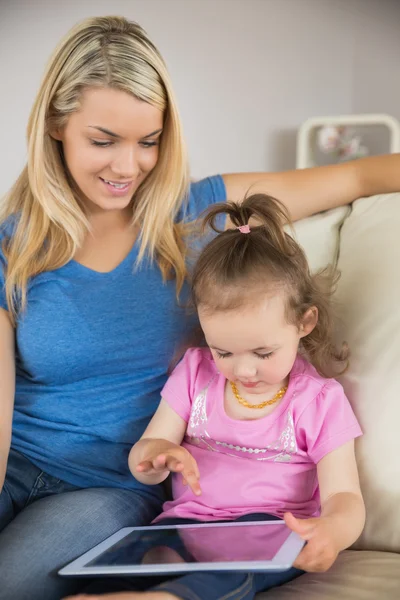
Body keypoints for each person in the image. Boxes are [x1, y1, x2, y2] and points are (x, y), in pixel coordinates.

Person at [0, 14, 399, 600]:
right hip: (17, 467)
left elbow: (362, 173)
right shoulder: (14, 245)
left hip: (108, 490)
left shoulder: (203, 211)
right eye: (103, 141)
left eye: (149, 142)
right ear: (57, 127)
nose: (127, 166)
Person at [65, 194, 365, 600]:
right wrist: (156, 455)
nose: (242, 370)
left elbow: (344, 495)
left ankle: (170, 597)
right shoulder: (195, 373)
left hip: (269, 528)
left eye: (263, 353)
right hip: (183, 525)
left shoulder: (318, 400)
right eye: (223, 351)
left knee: (239, 565)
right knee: (127, 559)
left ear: (304, 322)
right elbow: (145, 461)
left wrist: (333, 529)